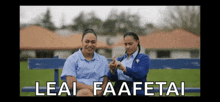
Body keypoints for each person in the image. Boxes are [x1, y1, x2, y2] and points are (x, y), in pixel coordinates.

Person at [60, 29, 109, 97]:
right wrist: (93, 88)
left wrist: (101, 90)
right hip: (76, 93)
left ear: (96, 43)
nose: (90, 45)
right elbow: (71, 84)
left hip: (98, 93)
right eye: (87, 41)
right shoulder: (72, 59)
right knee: (84, 93)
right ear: (82, 42)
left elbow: (105, 81)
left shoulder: (103, 60)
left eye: (93, 42)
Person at [107, 32, 151, 97]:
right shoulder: (120, 59)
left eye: (130, 44)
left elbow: (140, 74)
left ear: (137, 42)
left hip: (133, 90)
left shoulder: (143, 58)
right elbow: (112, 78)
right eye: (125, 44)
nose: (128, 47)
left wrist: (123, 68)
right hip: (118, 88)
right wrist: (112, 70)